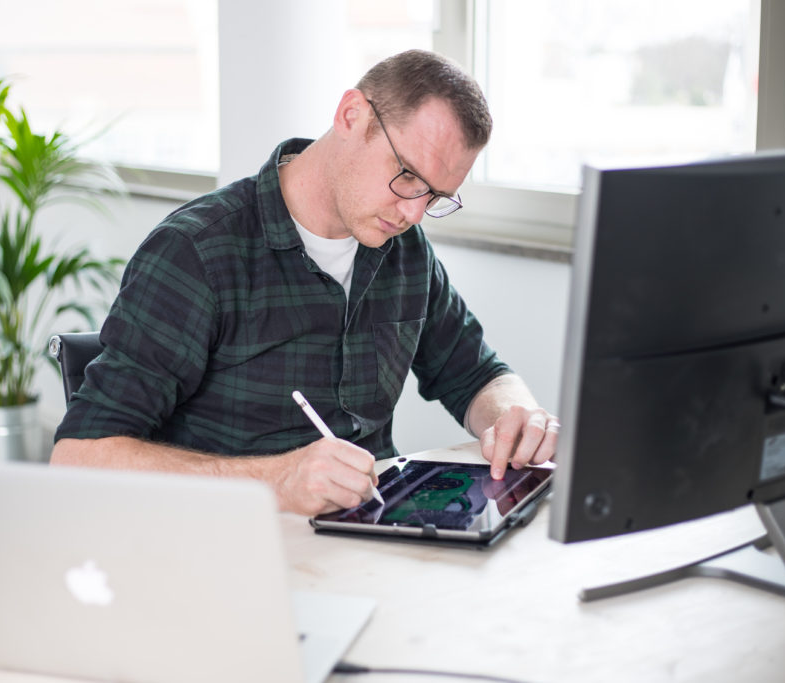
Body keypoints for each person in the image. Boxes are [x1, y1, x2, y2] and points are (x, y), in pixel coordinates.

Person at [51, 49, 559, 516]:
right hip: (233, 548)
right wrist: (274, 481)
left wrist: (515, 417)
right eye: (406, 175)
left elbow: (474, 373)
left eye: (436, 197)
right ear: (351, 116)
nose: (412, 212)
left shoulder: (404, 249)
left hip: (369, 541)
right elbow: (79, 459)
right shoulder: (199, 252)